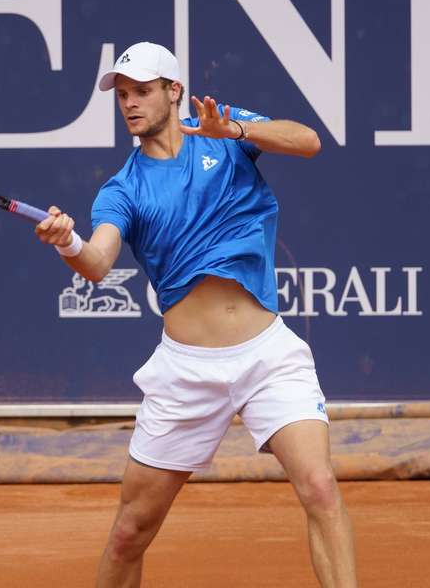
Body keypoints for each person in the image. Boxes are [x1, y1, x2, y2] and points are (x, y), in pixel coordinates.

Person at [35, 41, 357, 588]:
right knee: (130, 532)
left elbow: (307, 141)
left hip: (268, 356)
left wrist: (233, 131)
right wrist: (68, 242)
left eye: (142, 91)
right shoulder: (124, 189)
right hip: (185, 373)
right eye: (123, 95)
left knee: (320, 487)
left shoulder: (226, 132)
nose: (130, 104)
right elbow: (98, 261)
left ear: (173, 91)